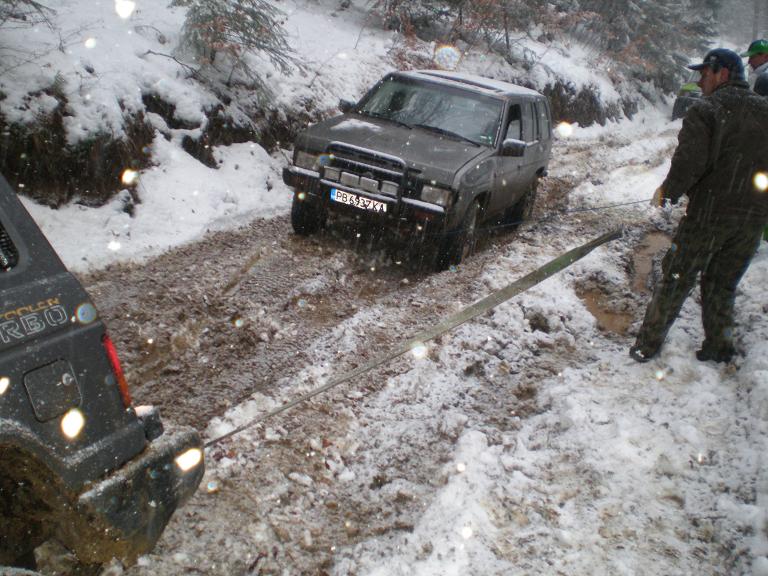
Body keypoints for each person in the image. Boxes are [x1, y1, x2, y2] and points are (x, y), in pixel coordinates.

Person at [630, 48, 768, 364]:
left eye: (705, 74)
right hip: (753, 219)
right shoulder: (766, 110)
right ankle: (719, 347)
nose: (700, 81)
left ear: (722, 74)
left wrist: (668, 192)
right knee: (722, 284)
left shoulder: (707, 109)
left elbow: (689, 161)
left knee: (676, 278)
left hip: (710, 214)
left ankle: (647, 346)